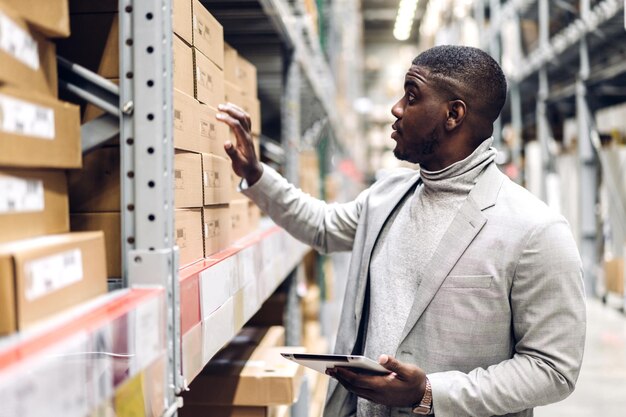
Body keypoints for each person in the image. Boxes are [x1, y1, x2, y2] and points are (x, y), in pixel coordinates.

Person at [216, 45, 586, 417]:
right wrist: (255, 174)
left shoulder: (535, 230)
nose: (395, 109)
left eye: (411, 96)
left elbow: (552, 369)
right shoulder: (386, 197)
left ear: (453, 114)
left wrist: (427, 393)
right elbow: (324, 228)